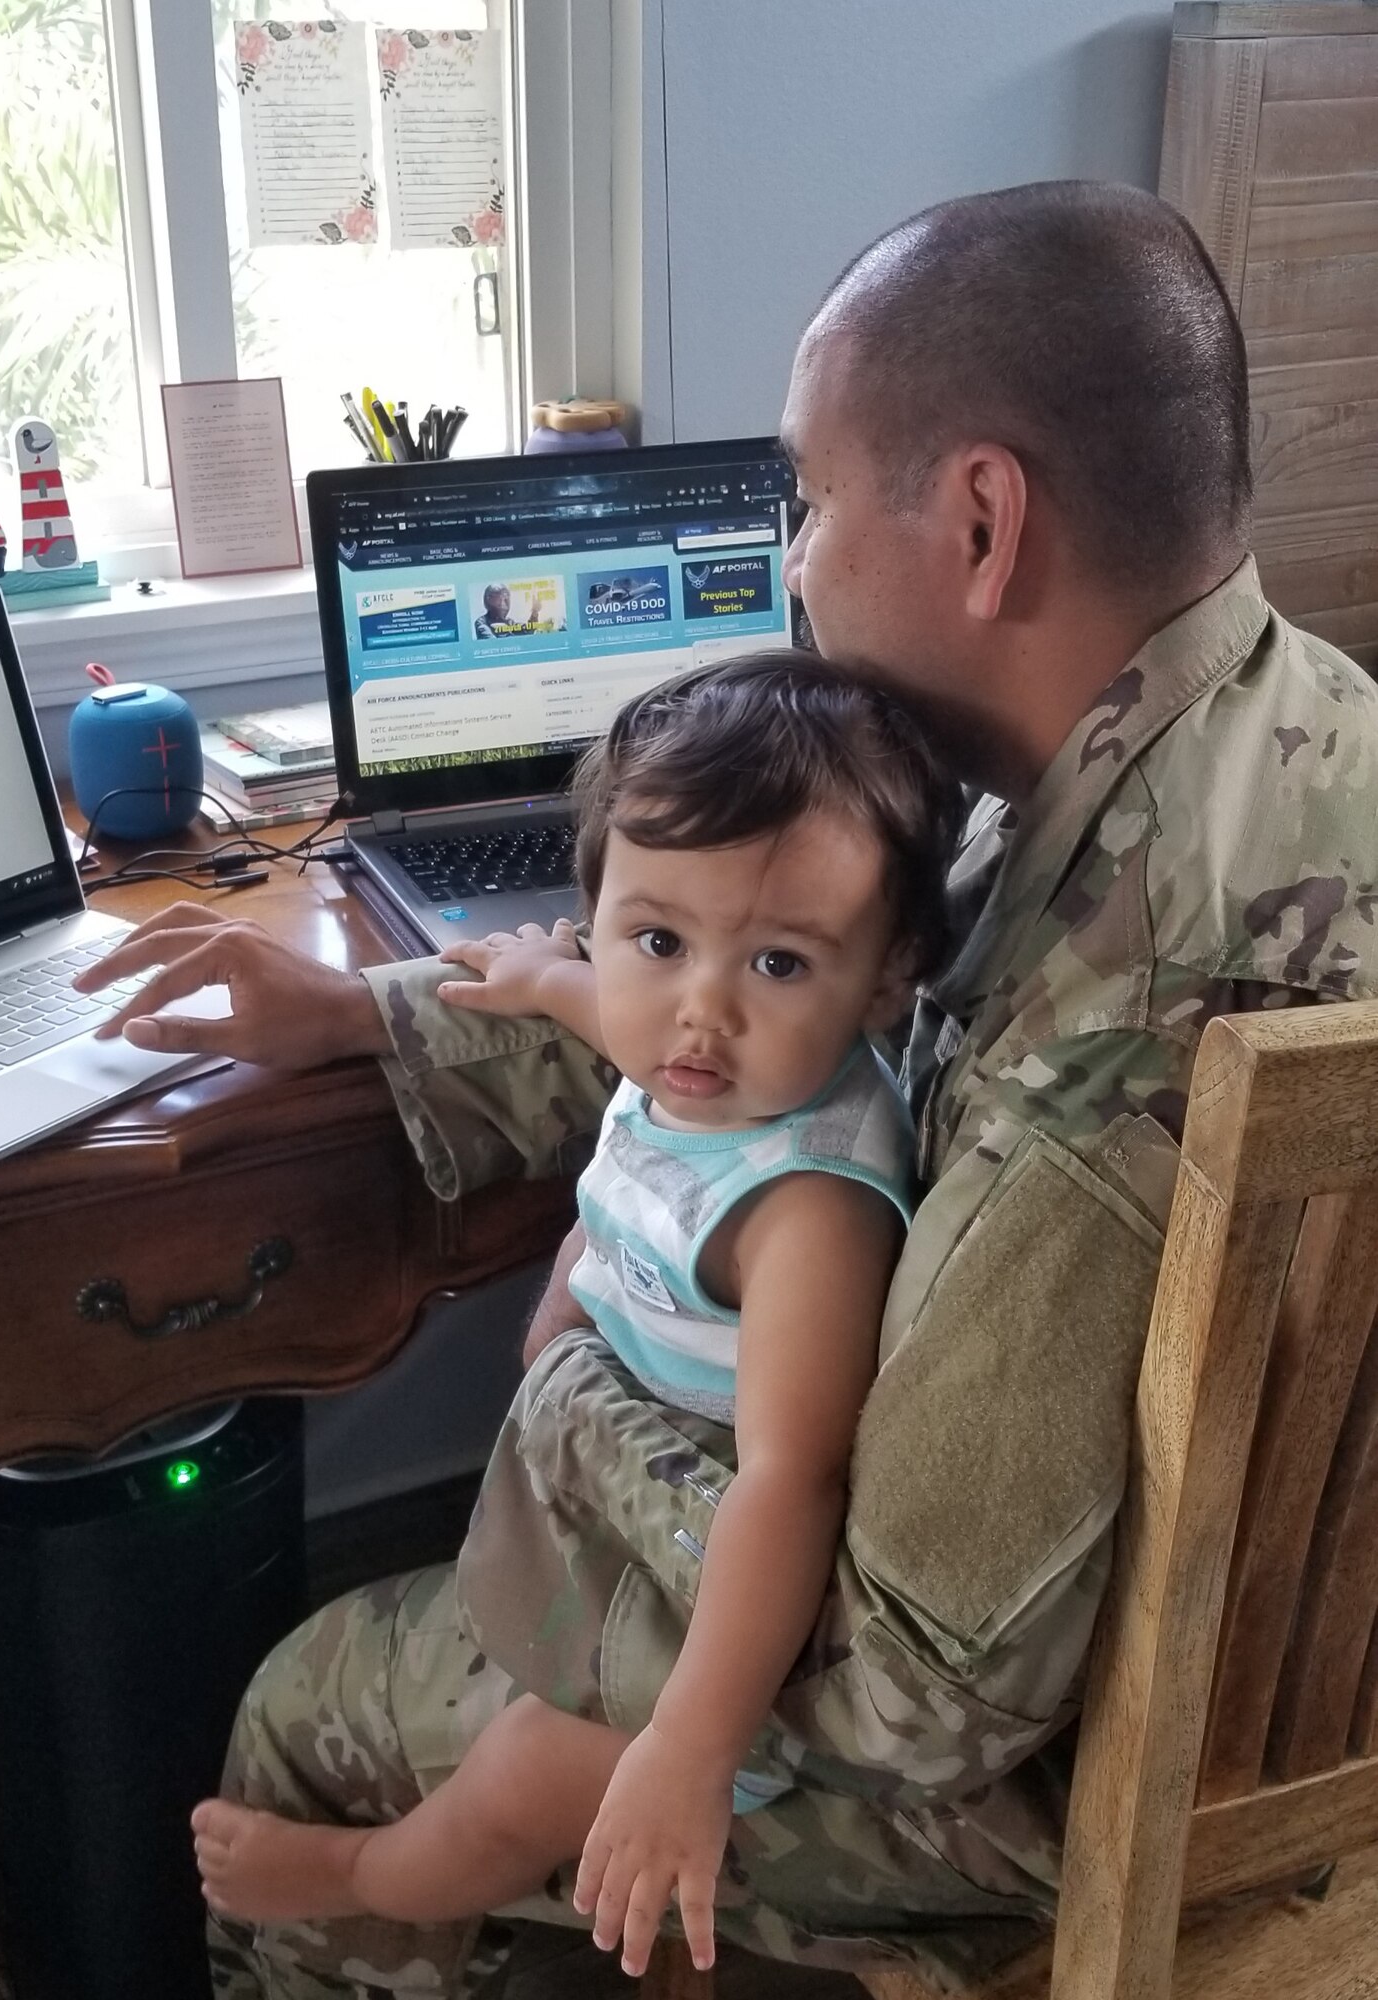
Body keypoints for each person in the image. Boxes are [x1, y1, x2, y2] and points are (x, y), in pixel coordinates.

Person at [74, 181, 1378, 1995]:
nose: (794, 559)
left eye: (811, 499)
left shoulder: (1120, 1017)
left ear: (982, 523)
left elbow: (926, 1693)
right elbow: (775, 1027)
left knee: (312, 1707)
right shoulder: (1259, 727)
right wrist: (376, 1019)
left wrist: (576, 1402)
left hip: (1053, 1785)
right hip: (1298, 1650)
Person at [188, 654, 962, 1976]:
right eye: (656, 938)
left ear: (885, 982)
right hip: (601, 1498)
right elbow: (616, 1012)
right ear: (599, 912)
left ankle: (369, 1874)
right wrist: (532, 974)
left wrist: (690, 1743)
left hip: (708, 1608)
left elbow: (789, 1480)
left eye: (778, 960)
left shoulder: (802, 1214)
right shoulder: (697, 1048)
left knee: (518, 1778)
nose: (698, 1012)